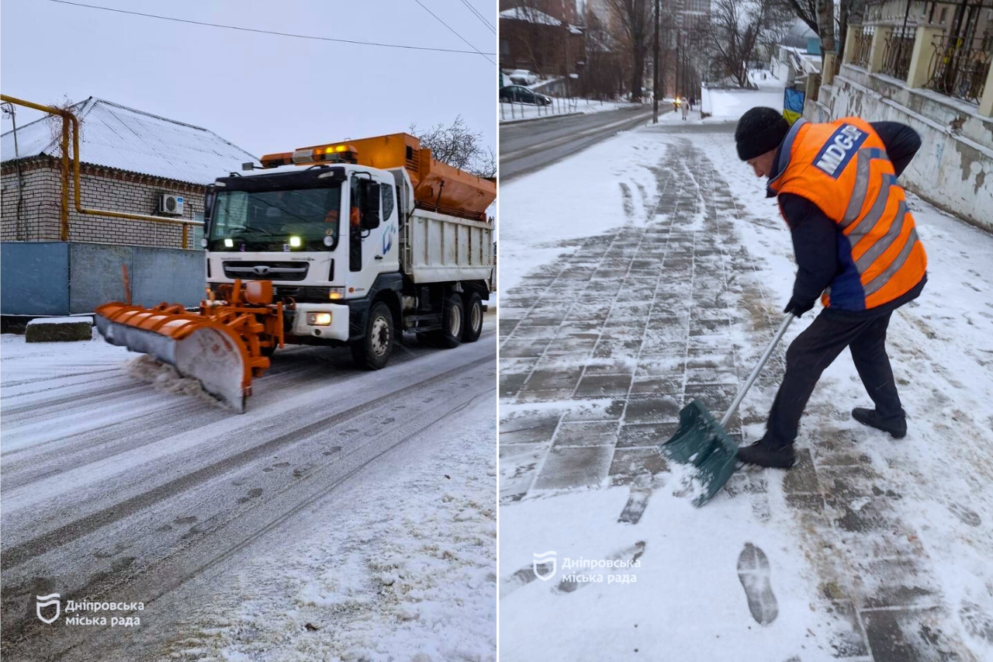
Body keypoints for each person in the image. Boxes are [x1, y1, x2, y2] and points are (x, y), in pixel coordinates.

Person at [733, 108, 927, 468]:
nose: (758, 173)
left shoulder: (800, 187)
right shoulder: (840, 132)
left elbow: (818, 266)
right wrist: (874, 191)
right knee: (867, 344)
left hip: (869, 281)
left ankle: (777, 446)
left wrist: (801, 299)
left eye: (755, 162)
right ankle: (891, 416)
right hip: (905, 263)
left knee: (803, 355)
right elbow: (905, 139)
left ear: (771, 148)